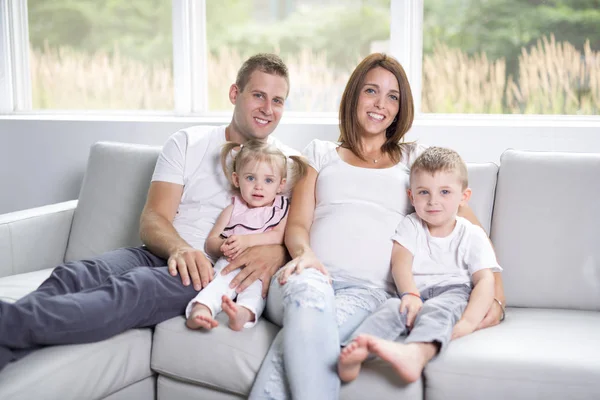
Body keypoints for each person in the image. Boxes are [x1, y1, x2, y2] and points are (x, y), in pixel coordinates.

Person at [0, 53, 296, 372]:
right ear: (235, 94)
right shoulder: (187, 142)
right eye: (259, 95)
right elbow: (153, 218)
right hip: (160, 252)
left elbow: (298, 235)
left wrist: (277, 252)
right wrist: (180, 248)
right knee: (74, 273)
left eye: (278, 100)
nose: (268, 108)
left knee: (133, 290)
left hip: (209, 272)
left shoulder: (288, 166)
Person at [248, 53, 506, 400]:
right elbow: (297, 224)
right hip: (309, 275)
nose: (380, 104)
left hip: (368, 292)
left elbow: (473, 231)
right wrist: (305, 255)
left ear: (401, 108)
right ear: (354, 95)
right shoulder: (320, 152)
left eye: (392, 96)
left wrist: (497, 300)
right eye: (371, 91)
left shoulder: (416, 160)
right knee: (310, 298)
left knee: (306, 334)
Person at [337, 146, 501, 383]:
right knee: (390, 309)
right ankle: (354, 351)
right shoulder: (411, 225)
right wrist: (410, 293)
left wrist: (468, 322)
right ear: (411, 196)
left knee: (438, 311)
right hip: (415, 293)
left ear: (463, 197)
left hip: (454, 293)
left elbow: (485, 280)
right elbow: (400, 264)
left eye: (445, 192)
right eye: (424, 192)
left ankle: (415, 353)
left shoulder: (472, 235)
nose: (433, 201)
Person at [185, 140, 307, 331]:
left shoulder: (282, 208)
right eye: (250, 178)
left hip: (260, 270)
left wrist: (247, 240)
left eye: (268, 180)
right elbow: (211, 241)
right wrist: (223, 246)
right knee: (217, 285)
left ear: (281, 185)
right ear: (236, 179)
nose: (258, 187)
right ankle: (201, 310)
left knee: (255, 293)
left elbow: (278, 236)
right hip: (230, 263)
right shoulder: (233, 210)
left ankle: (243, 313)